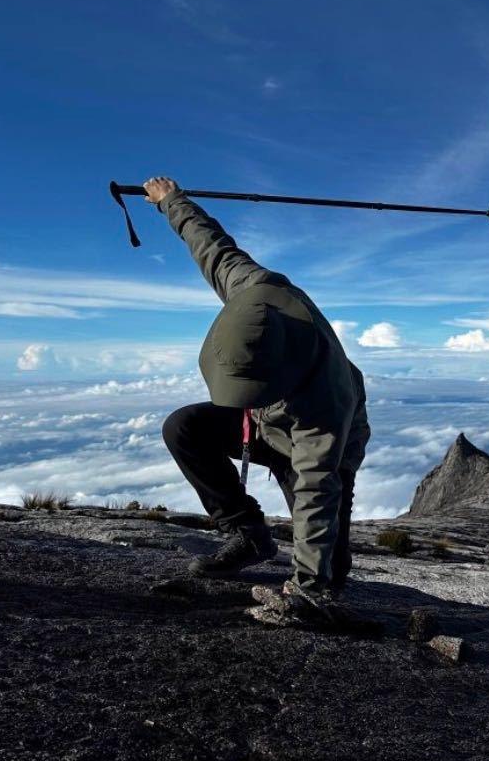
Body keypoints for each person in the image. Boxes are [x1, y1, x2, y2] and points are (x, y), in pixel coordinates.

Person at [144, 176, 370, 622]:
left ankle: (319, 577)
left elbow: (316, 486)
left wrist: (307, 588)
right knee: (184, 427)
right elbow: (211, 245)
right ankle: (248, 533)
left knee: (329, 571)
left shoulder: (325, 401)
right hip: (266, 425)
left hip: (320, 449)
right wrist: (171, 201)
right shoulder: (253, 291)